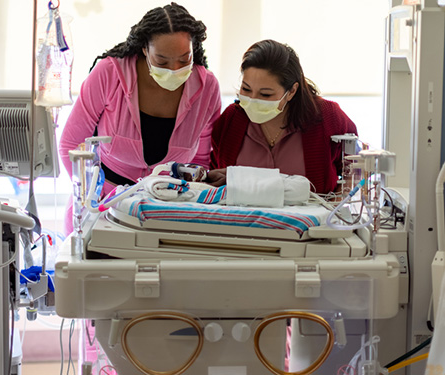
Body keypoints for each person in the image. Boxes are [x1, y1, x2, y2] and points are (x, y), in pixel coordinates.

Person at [59, 2, 221, 234]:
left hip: (167, 211)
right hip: (101, 208)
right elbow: (70, 145)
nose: (174, 69)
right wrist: (89, 195)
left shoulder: (207, 88)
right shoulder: (109, 74)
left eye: (184, 60)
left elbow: (202, 160)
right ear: (145, 49)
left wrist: (188, 201)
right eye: (162, 61)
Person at [208, 39, 357, 194]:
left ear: (291, 91)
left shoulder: (327, 116)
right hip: (242, 217)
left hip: (312, 217)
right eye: (246, 89)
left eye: (265, 94)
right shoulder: (231, 120)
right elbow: (214, 177)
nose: (253, 100)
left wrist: (339, 200)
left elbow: (357, 168)